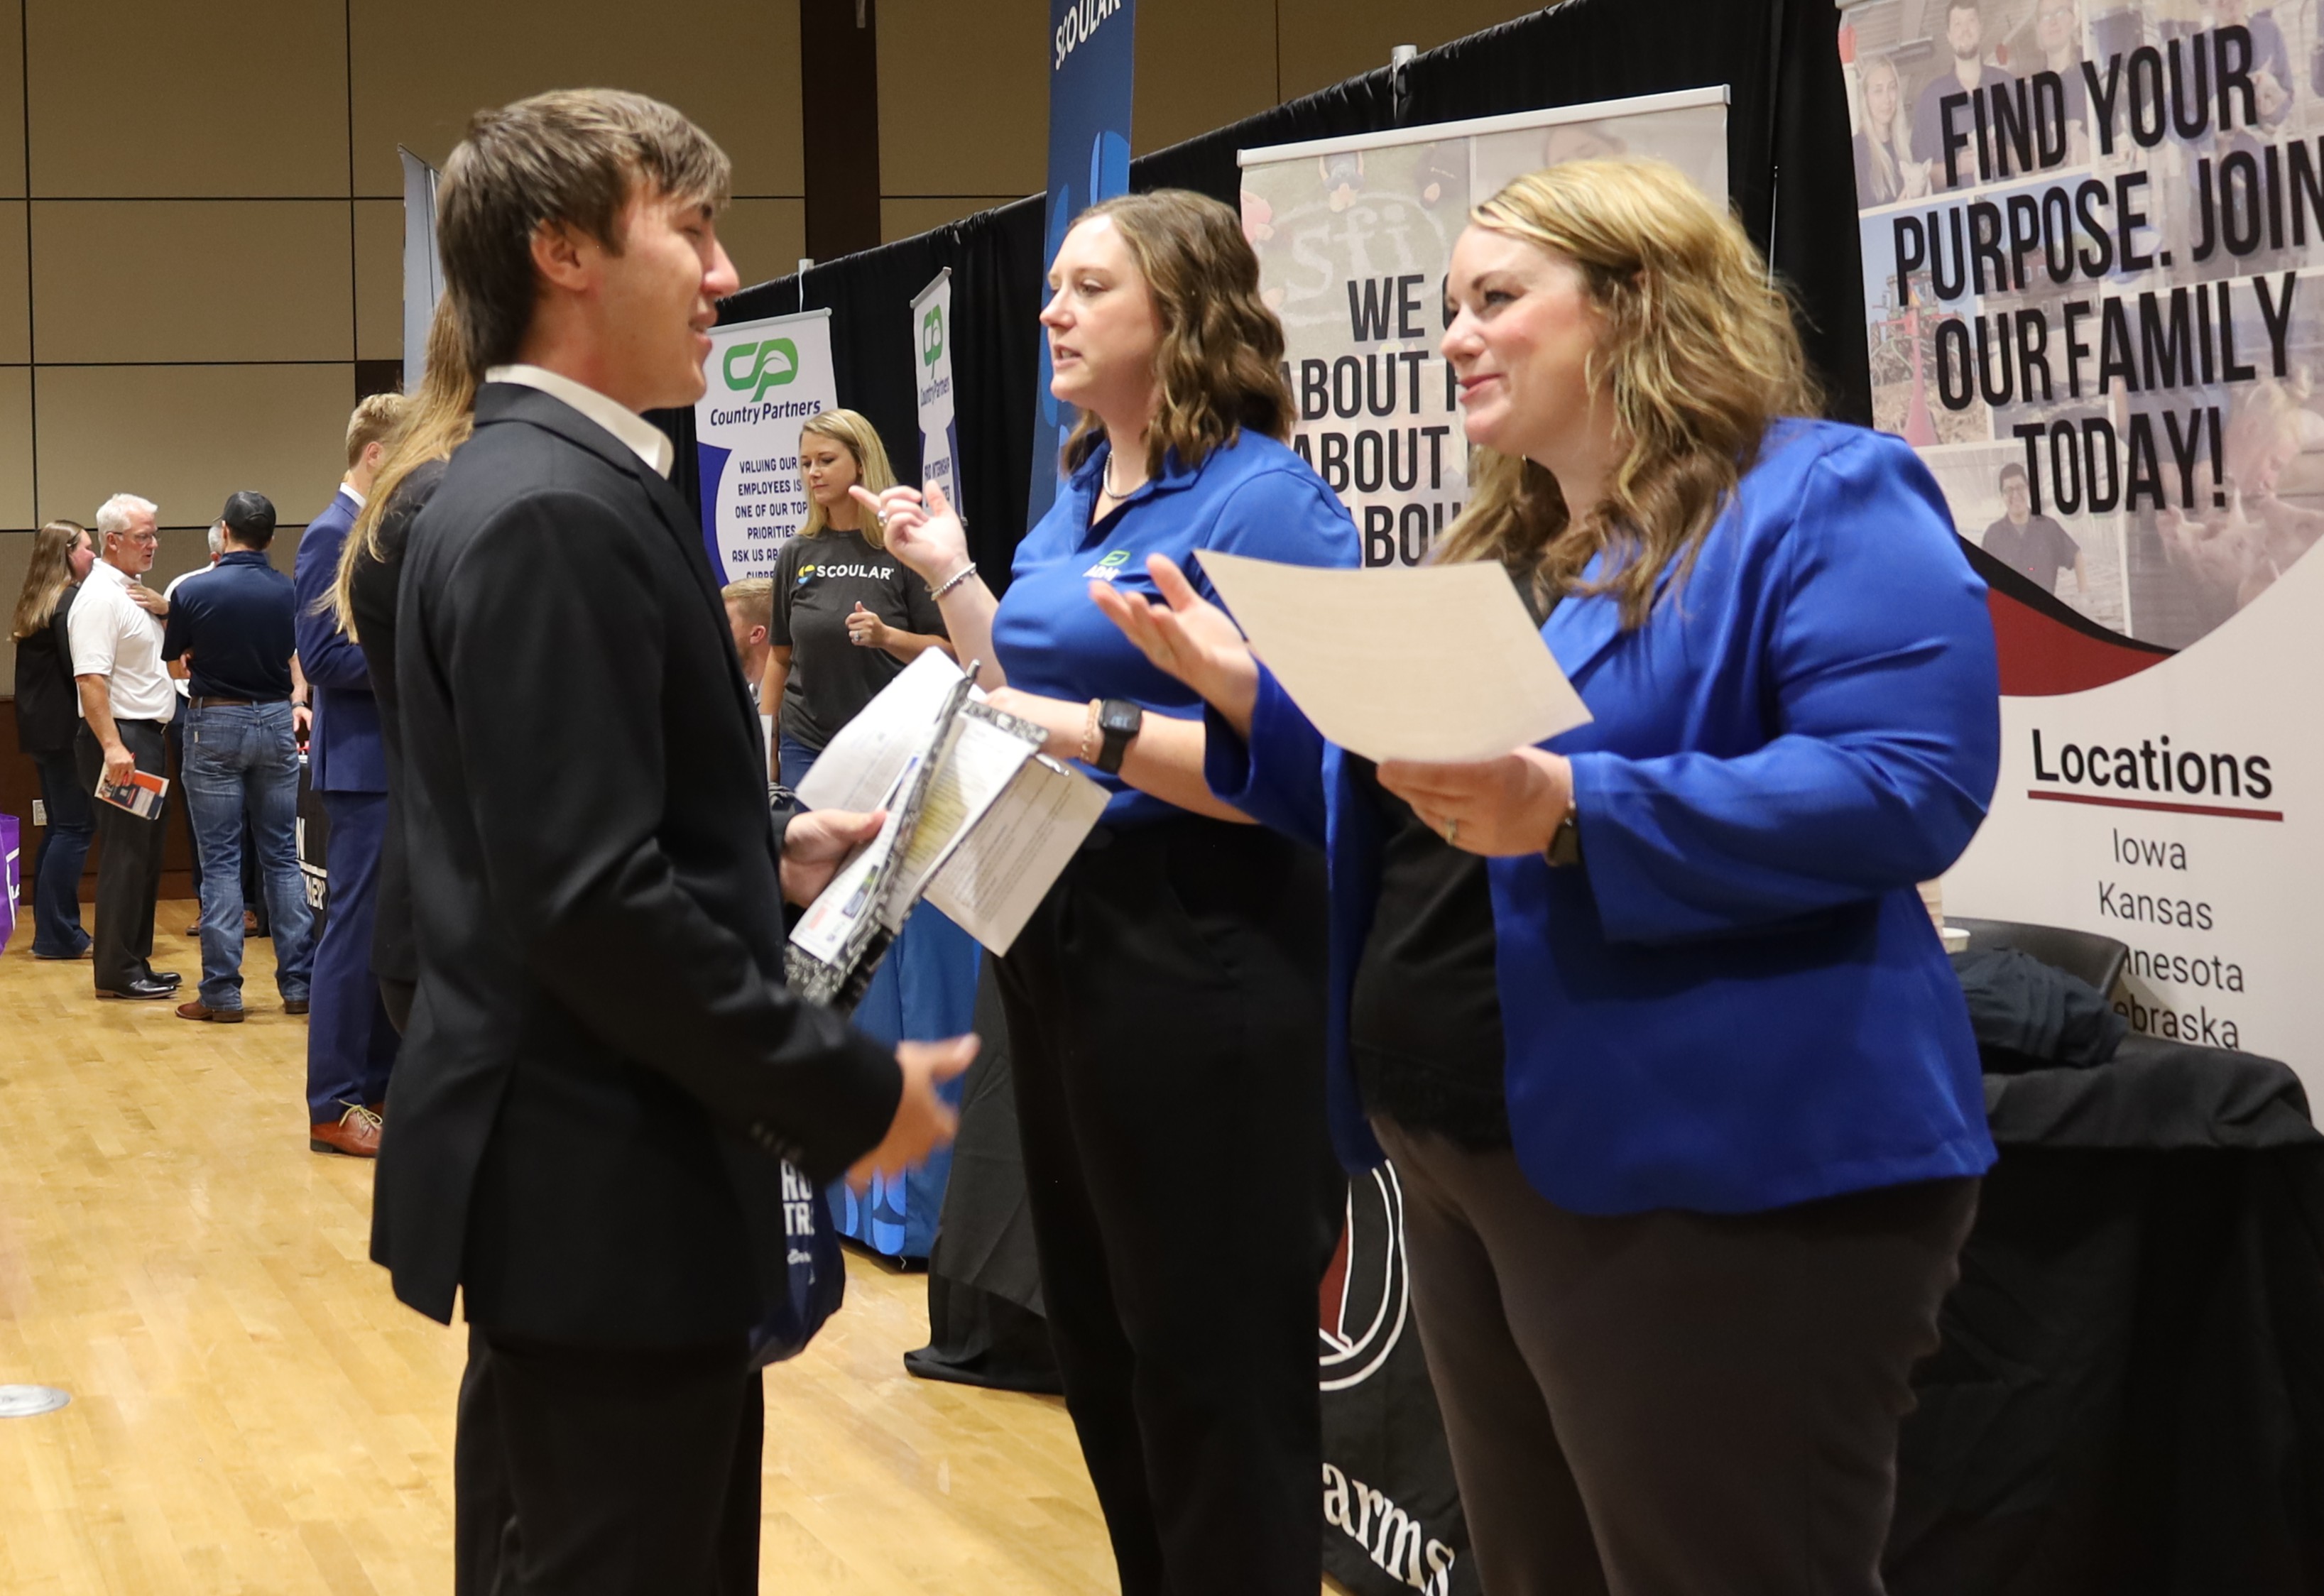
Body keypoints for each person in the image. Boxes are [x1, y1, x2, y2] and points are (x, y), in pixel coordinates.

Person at [1095, 158, 2002, 1595]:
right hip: (1476, 1155)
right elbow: (1432, 818)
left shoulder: (1818, 494)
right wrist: (1268, 708)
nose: (1453, 335)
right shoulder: (1507, 544)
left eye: (1495, 300)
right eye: (1450, 305)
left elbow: (1907, 786)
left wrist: (1579, 806)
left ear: (1637, 303)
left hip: (1712, 1164)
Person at [370, 89, 970, 1593]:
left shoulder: (563, 484)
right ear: (563, 250)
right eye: (691, 229)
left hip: (603, 1177)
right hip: (600, 1181)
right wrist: (838, 1082)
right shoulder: (545, 510)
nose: (722, 273)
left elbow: (571, 810)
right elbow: (585, 899)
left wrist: (761, 837)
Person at [858, 187, 1356, 1596]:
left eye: (1086, 287)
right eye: (1054, 286)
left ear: (1181, 311)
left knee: (1209, 1369)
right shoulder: (1085, 489)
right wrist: (956, 579)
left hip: (1201, 947)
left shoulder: (1267, 499)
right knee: (1104, 1345)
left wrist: (1094, 737)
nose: (1049, 309)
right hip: (1058, 937)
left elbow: (1312, 766)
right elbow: (1032, 695)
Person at [294, 393, 410, 1151]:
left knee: (388, 934)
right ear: (376, 455)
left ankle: (375, 1089)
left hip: (395, 765)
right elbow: (324, 658)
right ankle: (333, 1104)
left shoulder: (372, 533)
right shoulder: (329, 537)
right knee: (353, 933)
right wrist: (421, 657)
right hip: (363, 767)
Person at [160, 492, 315, 1028]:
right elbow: (300, 656)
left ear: (224, 532)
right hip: (275, 721)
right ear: (271, 538)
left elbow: (178, 668)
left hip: (214, 723)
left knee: (221, 861)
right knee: (281, 858)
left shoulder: (193, 590)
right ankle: (299, 986)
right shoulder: (289, 592)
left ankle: (222, 993)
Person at [762, 408, 951, 790]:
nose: (812, 472)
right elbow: (780, 656)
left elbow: (950, 651)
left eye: (826, 460)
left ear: (862, 463)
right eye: (805, 463)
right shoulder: (796, 552)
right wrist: (766, 745)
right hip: (806, 744)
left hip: (890, 743)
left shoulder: (904, 547)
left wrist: (887, 637)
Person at [70, 492, 180, 1000]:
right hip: (123, 742)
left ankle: (135, 960)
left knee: (146, 854)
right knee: (125, 855)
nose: (153, 543)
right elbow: (90, 679)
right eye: (143, 536)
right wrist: (113, 747)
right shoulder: (98, 598)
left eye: (154, 534)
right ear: (112, 541)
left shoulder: (130, 591)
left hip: (145, 739)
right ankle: (116, 970)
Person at [11, 518, 97, 959]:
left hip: (42, 733)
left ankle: (52, 930)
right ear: (66, 553)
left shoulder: (38, 603)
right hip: (66, 733)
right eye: (86, 547)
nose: (94, 554)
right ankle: (59, 935)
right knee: (76, 828)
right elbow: (80, 671)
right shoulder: (69, 604)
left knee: (62, 827)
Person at [1912, 1, 2014, 191]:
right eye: (1957, 23)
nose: (1965, 30)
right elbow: (1921, 177)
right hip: (1956, 217)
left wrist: (2002, 154)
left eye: (1971, 21)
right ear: (1949, 36)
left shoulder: (2007, 85)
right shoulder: (1931, 99)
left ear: (1981, 28)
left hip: (2006, 211)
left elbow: (2033, 154)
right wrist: (1957, 167)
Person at [1983, 461, 2083, 594]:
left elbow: (2076, 554)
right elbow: (1982, 575)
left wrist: (2084, 594)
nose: (2015, 495)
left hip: (2043, 612)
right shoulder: (1993, 535)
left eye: (2020, 487)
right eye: (2008, 490)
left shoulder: (2048, 528)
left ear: (2028, 489)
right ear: (2002, 495)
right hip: (2008, 612)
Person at [1853, 53, 1928, 207]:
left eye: (1892, 88)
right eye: (1878, 91)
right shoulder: (1856, 151)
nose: (1887, 99)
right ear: (1865, 97)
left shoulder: (1908, 149)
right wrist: (1895, 211)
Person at [722, 576, 774, 705]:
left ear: (757, 634)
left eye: (726, 622)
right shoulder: (742, 700)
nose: (718, 632)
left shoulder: (795, 710)